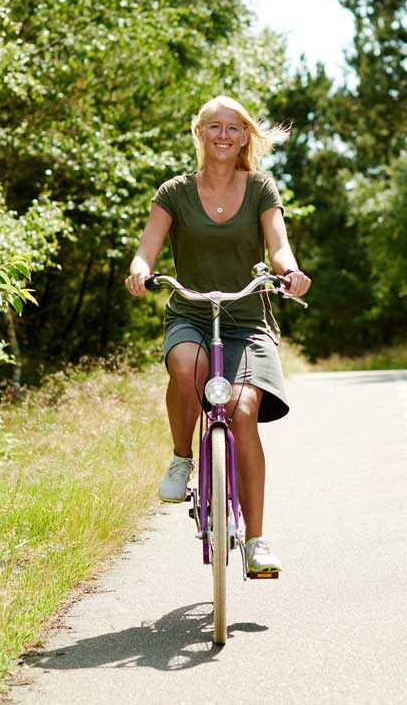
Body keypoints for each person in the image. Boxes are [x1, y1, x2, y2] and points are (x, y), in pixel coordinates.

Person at [124, 95, 311, 575]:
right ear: (200, 133)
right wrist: (140, 271)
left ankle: (256, 541)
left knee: (243, 410)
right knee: (188, 364)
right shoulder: (174, 192)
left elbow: (279, 245)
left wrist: (289, 272)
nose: (224, 135)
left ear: (245, 135)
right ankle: (182, 458)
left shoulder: (261, 189)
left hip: (248, 319)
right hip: (191, 309)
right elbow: (147, 248)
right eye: (214, 127)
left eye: (233, 127)